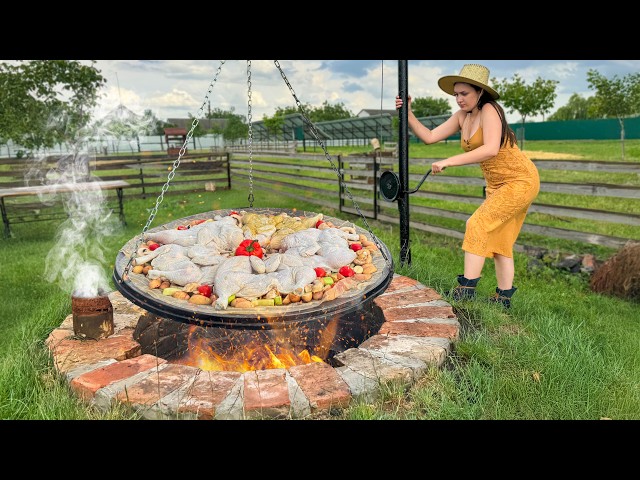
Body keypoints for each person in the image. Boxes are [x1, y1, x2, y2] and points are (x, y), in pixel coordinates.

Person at [395, 63, 540, 308]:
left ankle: (466, 290)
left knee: (477, 224)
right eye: (456, 95)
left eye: (465, 94)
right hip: (497, 184)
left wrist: (450, 160)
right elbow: (430, 137)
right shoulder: (462, 116)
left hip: (520, 180)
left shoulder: (490, 110)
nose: (459, 100)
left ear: (480, 93)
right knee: (501, 242)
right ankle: (503, 299)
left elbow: (491, 148)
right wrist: (408, 113)